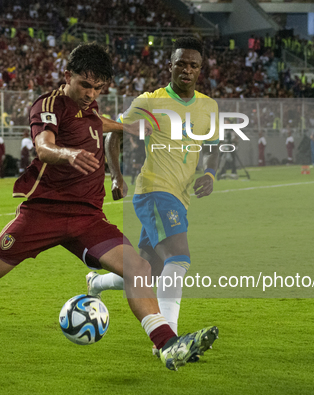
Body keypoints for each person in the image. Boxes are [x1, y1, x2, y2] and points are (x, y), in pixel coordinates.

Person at [0, 43, 217, 371]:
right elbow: (43, 146)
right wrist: (68, 154)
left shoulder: (89, 107)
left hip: (86, 217)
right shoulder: (48, 104)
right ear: (67, 76)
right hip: (44, 213)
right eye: (85, 85)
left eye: (98, 88)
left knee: (138, 268)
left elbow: (96, 122)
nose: (91, 94)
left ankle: (167, 344)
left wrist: (125, 127)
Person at [88, 37, 220, 348]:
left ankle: (97, 281)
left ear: (201, 70)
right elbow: (113, 134)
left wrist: (211, 173)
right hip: (153, 191)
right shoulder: (150, 101)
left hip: (180, 196)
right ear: (170, 66)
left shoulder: (208, 107)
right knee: (179, 258)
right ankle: (168, 339)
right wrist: (117, 176)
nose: (186, 70)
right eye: (181, 64)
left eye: (193, 65)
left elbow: (214, 147)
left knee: (148, 270)